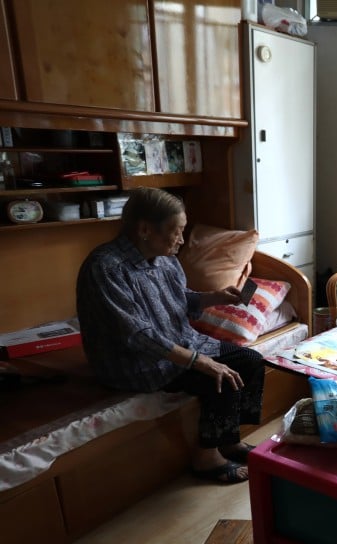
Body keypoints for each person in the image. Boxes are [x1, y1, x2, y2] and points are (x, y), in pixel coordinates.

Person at [76, 187, 263, 484]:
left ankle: (229, 440)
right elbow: (138, 336)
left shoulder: (165, 260)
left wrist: (216, 297)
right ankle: (206, 458)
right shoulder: (105, 268)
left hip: (179, 344)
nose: (181, 240)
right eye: (175, 232)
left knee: (251, 360)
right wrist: (200, 361)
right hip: (138, 362)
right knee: (220, 377)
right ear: (145, 229)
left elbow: (179, 301)